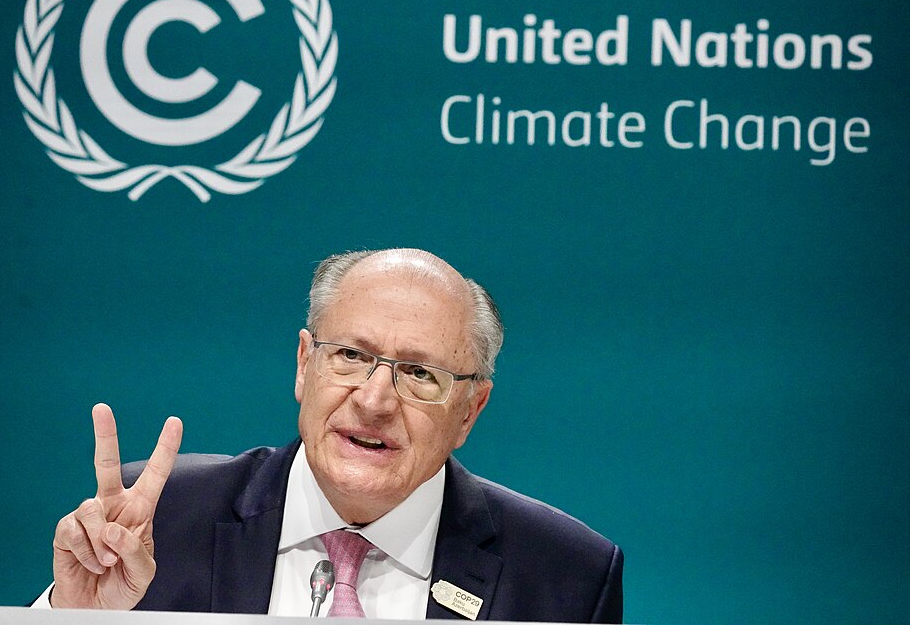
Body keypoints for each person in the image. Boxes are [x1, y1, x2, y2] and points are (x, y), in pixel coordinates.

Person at [40, 248, 623, 621]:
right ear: (303, 365)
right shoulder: (159, 522)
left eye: (419, 374)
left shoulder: (566, 579)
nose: (373, 401)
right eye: (349, 355)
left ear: (470, 410)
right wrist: (71, 614)